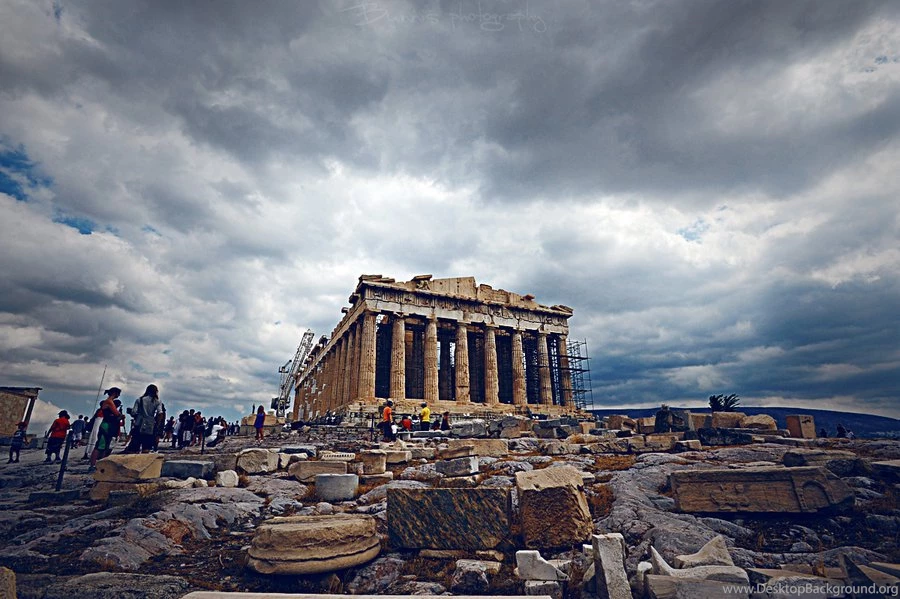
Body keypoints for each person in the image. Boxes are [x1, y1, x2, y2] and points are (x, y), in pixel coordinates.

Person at [131, 384, 161, 453]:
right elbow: (160, 413)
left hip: (139, 424)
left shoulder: (139, 400)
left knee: (135, 446)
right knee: (146, 447)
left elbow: (133, 412)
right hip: (150, 426)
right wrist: (157, 423)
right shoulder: (157, 401)